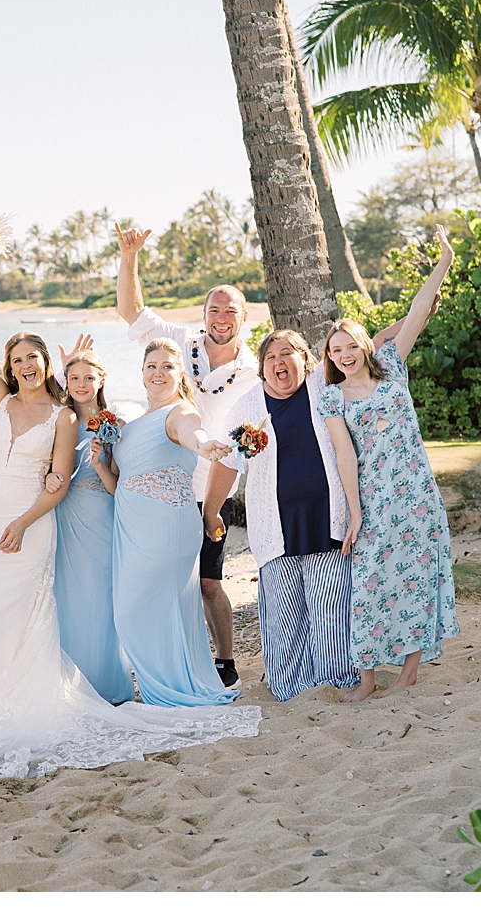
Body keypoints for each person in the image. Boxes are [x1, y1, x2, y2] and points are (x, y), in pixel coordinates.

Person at [0, 250, 262, 783]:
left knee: (32, 615)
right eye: (19, 359)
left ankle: (38, 697)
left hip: (31, 525)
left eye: (35, 358)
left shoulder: (63, 418)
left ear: (44, 366)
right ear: (9, 368)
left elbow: (66, 476)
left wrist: (33, 511)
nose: (27, 366)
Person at [115, 227, 260, 689]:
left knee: (208, 582)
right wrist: (130, 255)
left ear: (243, 317)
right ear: (203, 314)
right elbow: (131, 312)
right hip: (162, 482)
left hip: (211, 486)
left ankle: (223, 658)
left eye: (230, 310)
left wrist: (216, 505)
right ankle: (162, 658)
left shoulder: (253, 371)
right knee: (160, 579)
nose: (221, 317)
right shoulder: (181, 343)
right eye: (214, 309)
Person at [320, 227, 459, 702]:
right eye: (336, 351)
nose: (345, 355)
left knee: (416, 576)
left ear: (364, 346)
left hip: (417, 491)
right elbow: (344, 454)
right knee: (371, 584)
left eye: (350, 346)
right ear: (332, 358)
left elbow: (418, 311)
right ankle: (366, 678)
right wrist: (355, 514)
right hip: (376, 499)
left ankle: (409, 673)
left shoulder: (393, 365)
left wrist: (444, 259)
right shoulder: (331, 397)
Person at [207, 330, 362, 703]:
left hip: (328, 520)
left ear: (304, 359)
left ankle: (336, 681)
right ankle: (291, 690)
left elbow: (368, 348)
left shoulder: (321, 383)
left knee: (330, 609)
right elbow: (228, 462)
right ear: (261, 368)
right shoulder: (247, 406)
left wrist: (417, 315)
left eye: (287, 353)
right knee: (285, 615)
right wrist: (211, 511)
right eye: (270, 356)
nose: (279, 361)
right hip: (275, 528)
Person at [109, 339, 243, 707]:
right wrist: (100, 457)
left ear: (180, 372)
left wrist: (203, 446)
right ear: (141, 373)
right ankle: (170, 685)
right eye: (151, 366)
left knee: (133, 611)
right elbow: (119, 480)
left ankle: (170, 690)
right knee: (146, 609)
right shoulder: (134, 423)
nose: (158, 373)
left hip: (165, 527)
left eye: (167, 366)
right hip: (132, 528)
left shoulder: (181, 412)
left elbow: (192, 434)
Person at [50, 343, 134, 704]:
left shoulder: (117, 424)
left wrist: (101, 464)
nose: (81, 384)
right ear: (65, 381)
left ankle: (108, 685)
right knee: (66, 598)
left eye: (88, 377)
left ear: (102, 380)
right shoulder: (58, 419)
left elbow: (119, 488)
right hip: (64, 517)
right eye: (74, 377)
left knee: (101, 598)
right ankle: (72, 687)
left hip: (101, 518)